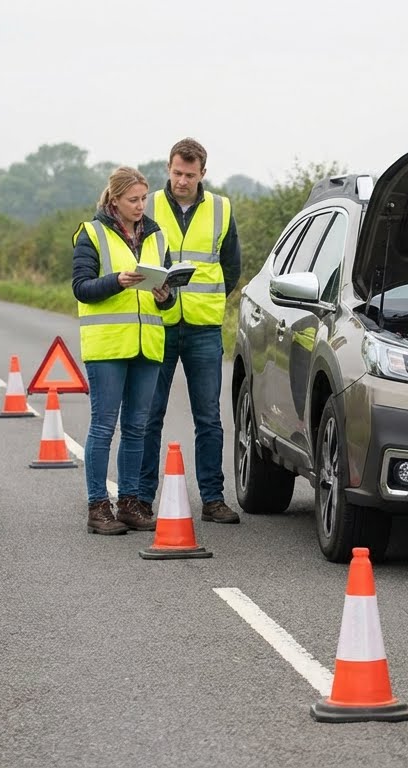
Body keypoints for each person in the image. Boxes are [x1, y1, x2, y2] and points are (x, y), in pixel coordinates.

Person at [136, 139, 243, 524]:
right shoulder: (146, 205)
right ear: (168, 167)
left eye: (190, 175)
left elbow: (231, 266)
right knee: (150, 416)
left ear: (203, 174)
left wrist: (211, 300)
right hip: (158, 324)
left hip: (202, 327)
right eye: (177, 173)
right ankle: (142, 500)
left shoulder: (220, 208)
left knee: (209, 419)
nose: (182, 181)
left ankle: (213, 500)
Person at [72, 166, 176, 535]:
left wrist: (166, 294)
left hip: (147, 344)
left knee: (137, 427)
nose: (140, 205)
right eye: (133, 199)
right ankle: (98, 507)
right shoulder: (91, 233)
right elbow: (81, 287)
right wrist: (117, 281)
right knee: (104, 427)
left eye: (143, 198)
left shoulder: (156, 235)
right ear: (114, 199)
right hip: (108, 346)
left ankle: (130, 503)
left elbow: (166, 294)